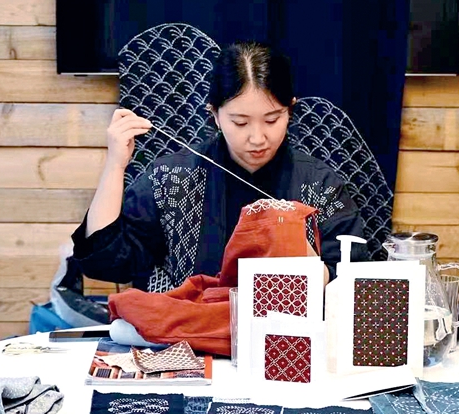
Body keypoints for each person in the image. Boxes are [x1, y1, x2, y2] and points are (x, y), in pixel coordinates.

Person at [72, 42, 368, 291]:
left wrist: (309, 266)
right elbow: (107, 263)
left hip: (288, 348)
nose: (257, 137)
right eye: (239, 122)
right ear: (214, 114)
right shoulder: (171, 179)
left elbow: (352, 279)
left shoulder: (319, 185)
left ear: (290, 109)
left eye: (272, 119)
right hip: (189, 344)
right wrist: (115, 165)